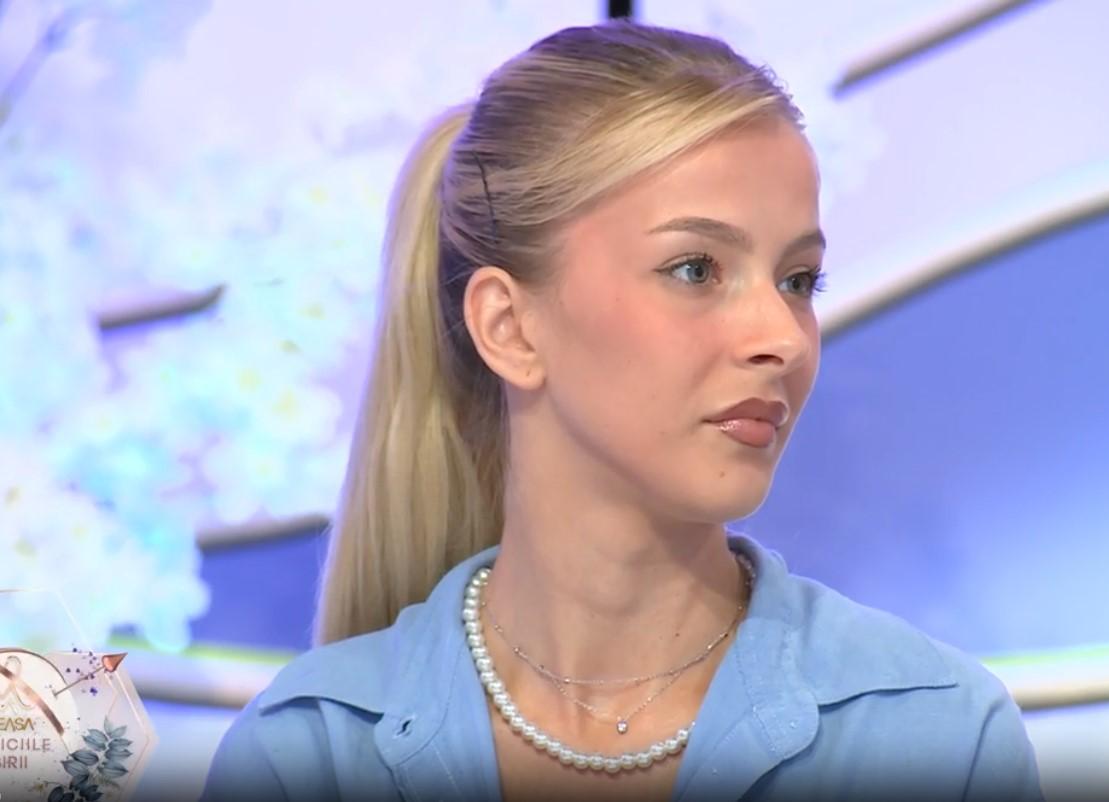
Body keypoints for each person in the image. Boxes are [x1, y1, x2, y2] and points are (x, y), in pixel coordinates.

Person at [200, 20, 1044, 802]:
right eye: (695, 269)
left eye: (798, 281)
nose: (781, 339)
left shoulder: (939, 738)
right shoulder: (308, 756)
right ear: (508, 327)